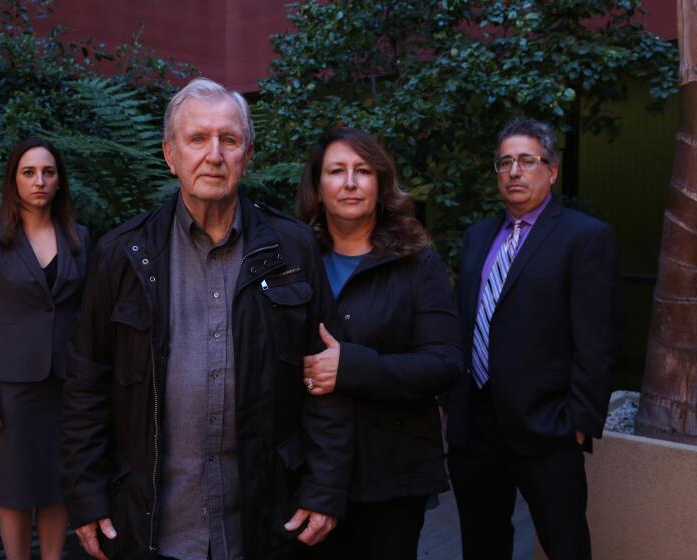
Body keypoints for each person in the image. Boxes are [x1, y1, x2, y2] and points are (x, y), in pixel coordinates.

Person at [60, 78, 353, 560]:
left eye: (229, 139)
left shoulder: (293, 248)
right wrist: (86, 495)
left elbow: (325, 381)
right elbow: (87, 384)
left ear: (247, 154)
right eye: (197, 139)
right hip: (155, 524)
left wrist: (325, 487)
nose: (214, 154)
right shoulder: (121, 254)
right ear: (170, 154)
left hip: (264, 522)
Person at [444, 118, 621, 559]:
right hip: (475, 428)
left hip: (548, 427)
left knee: (565, 545)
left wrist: (579, 423)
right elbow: (463, 320)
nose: (514, 172)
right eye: (504, 163)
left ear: (552, 170)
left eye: (526, 160)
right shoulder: (477, 236)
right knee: (482, 544)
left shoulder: (584, 237)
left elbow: (597, 339)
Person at [296, 127, 462, 559]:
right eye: (336, 171)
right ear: (317, 186)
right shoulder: (293, 261)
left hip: (392, 472)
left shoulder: (416, 261)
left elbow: (444, 363)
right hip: (306, 470)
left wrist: (352, 368)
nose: (350, 182)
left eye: (363, 170)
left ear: (380, 184)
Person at [0, 137, 92, 560]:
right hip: (12, 388)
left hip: (66, 384)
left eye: (48, 172)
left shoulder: (80, 238)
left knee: (57, 484)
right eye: (29, 172)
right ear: (14, 180)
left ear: (59, 182)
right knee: (15, 488)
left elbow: (87, 315)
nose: (39, 181)